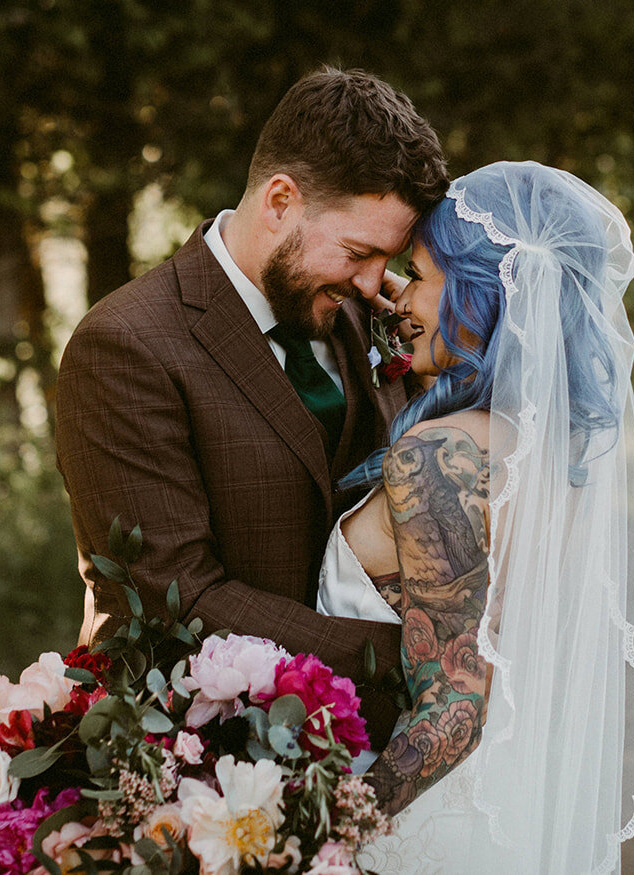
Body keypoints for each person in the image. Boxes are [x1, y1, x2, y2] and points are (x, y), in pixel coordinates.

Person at [54, 67, 449, 746]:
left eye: (384, 258)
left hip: (371, 748)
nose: (370, 279)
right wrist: (425, 661)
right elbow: (180, 601)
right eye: (359, 251)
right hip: (206, 750)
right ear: (280, 200)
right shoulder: (126, 347)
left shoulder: (362, 310)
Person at [317, 160, 634, 873]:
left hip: (423, 823)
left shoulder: (440, 454)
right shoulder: (552, 459)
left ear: (481, 292)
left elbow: (457, 704)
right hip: (511, 803)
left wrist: (327, 832)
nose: (396, 298)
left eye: (415, 273)